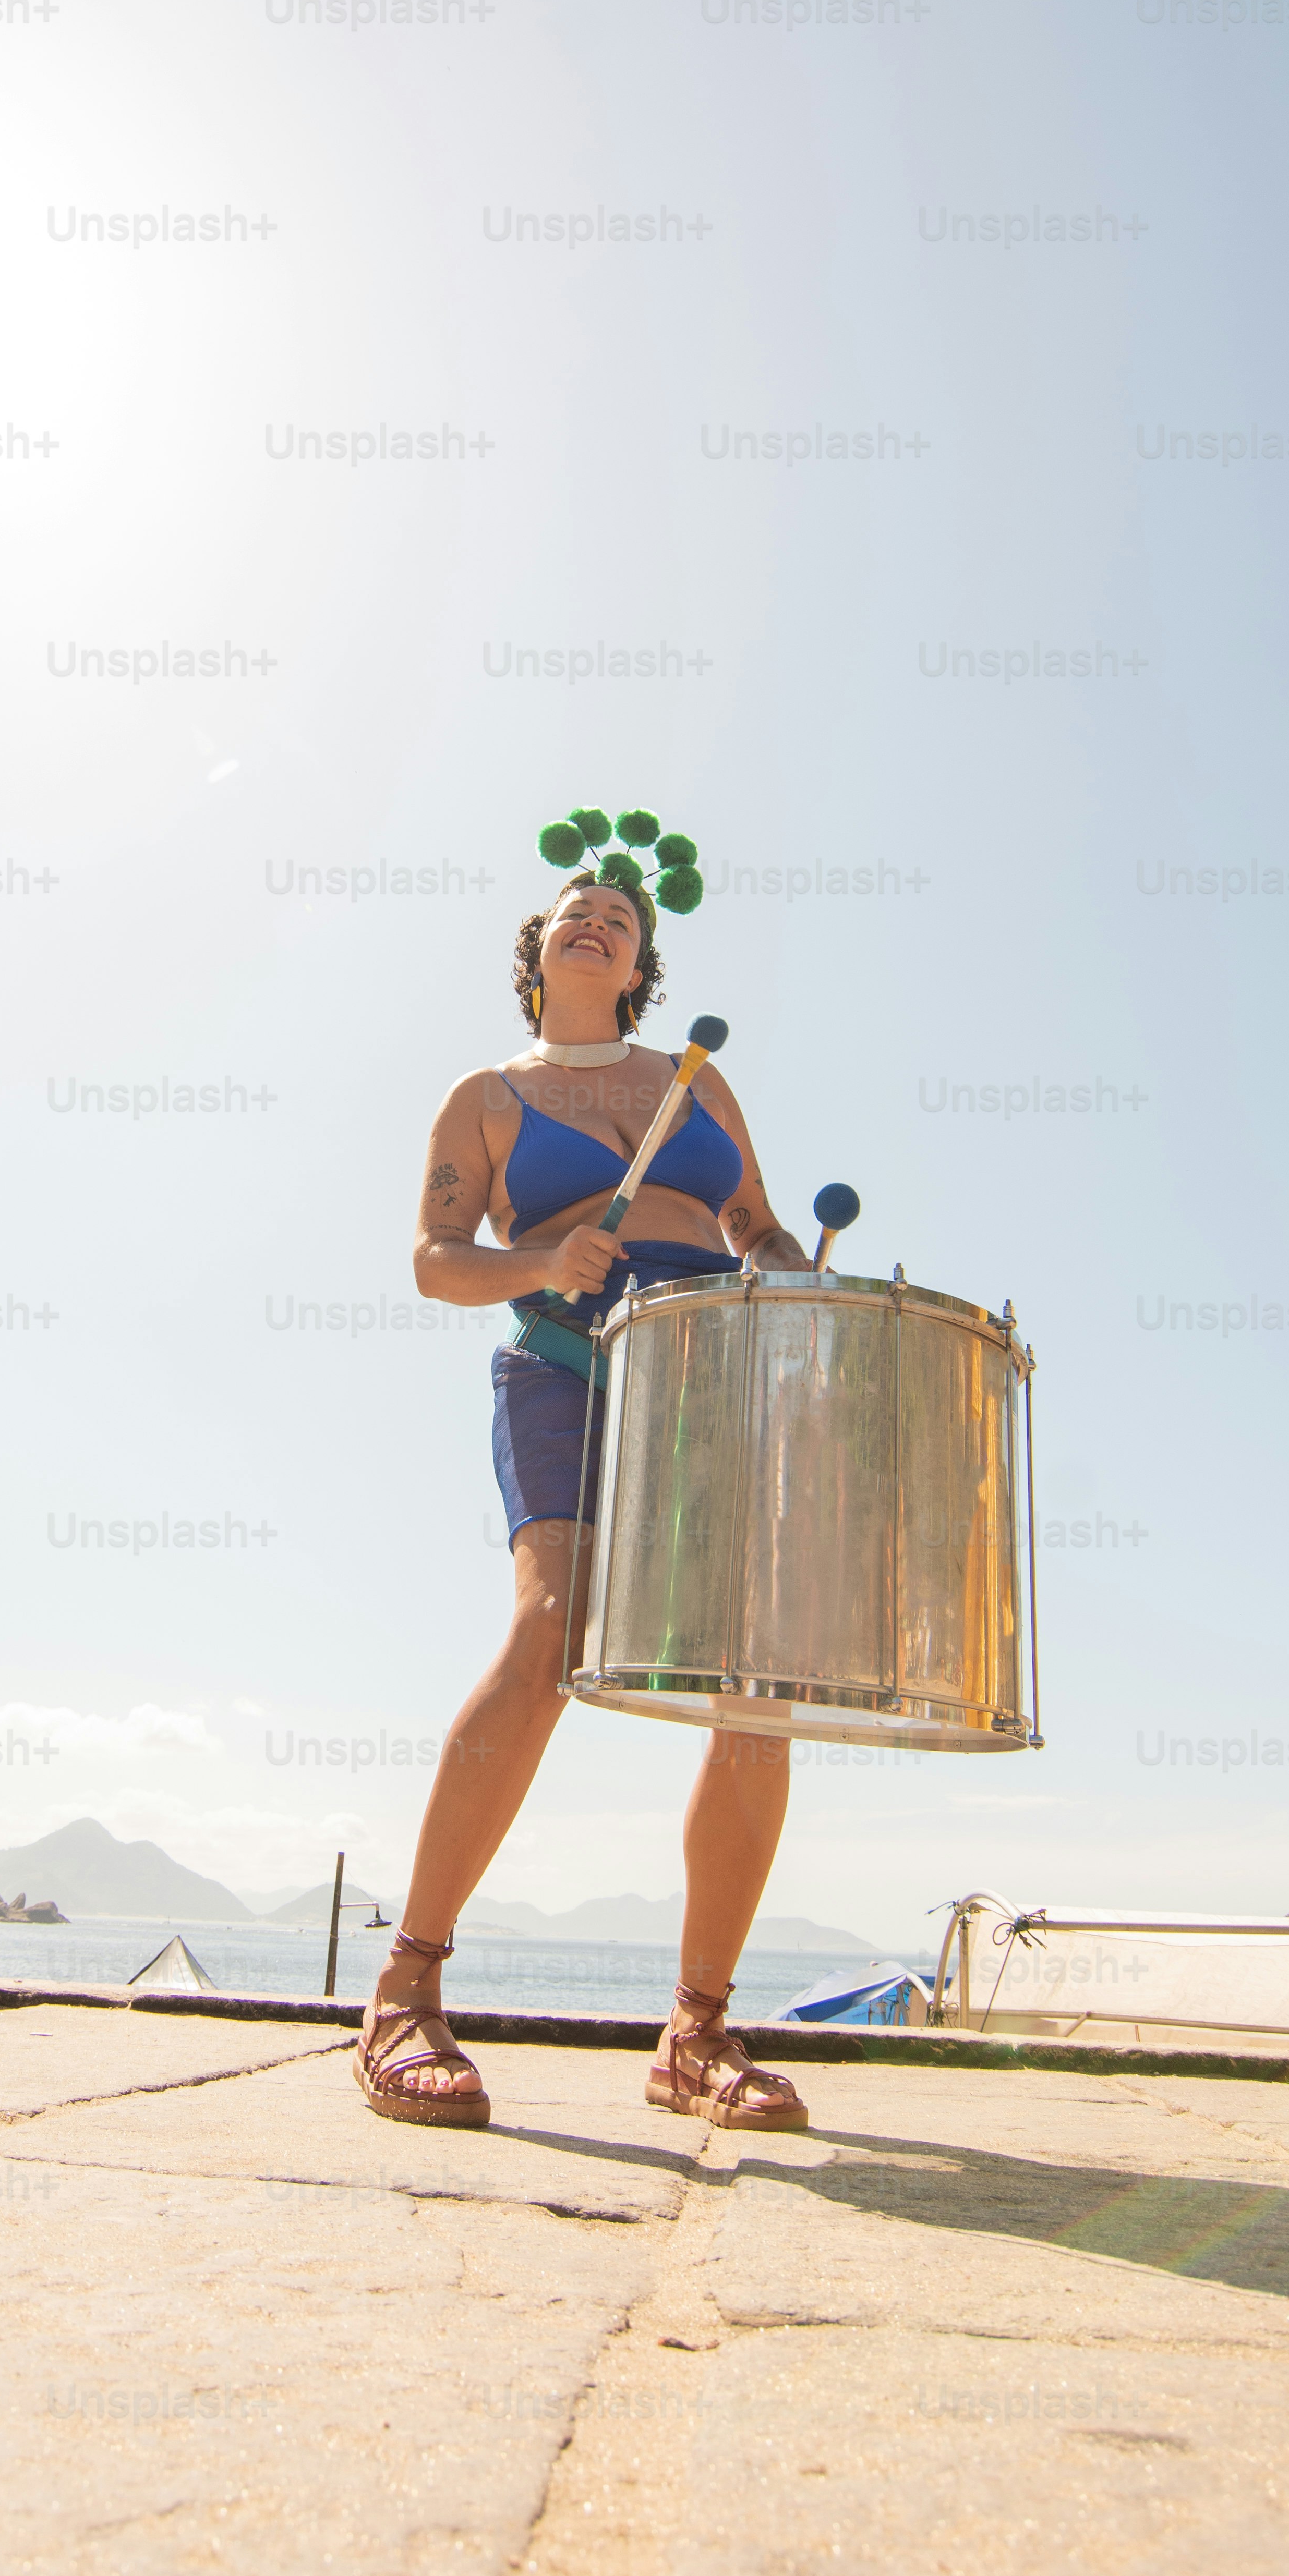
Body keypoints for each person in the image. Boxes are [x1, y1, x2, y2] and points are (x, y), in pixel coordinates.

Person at [356, 837, 818, 2132]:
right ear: (539, 949)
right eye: (575, 909)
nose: (597, 921)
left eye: (619, 916)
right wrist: (540, 1259)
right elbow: (437, 1262)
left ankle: (696, 2032)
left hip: (711, 1381)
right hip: (564, 1365)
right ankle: (405, 1989)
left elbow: (757, 1228)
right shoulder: (486, 1099)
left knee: (756, 1682)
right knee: (547, 1627)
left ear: (637, 965)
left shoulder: (697, 1084)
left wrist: (797, 1274)